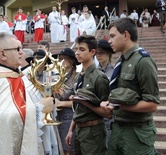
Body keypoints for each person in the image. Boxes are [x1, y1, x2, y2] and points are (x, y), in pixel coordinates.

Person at [0, 32, 54, 155]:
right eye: (18, 49)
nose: (22, 52)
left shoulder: (11, 74)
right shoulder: (0, 81)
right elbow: (5, 119)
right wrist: (39, 109)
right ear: (3, 54)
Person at [103, 17, 160, 155]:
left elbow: (152, 104)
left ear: (126, 35)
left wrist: (118, 106)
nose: (109, 40)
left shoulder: (143, 61)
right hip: (117, 128)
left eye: (112, 36)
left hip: (137, 134)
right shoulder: (122, 61)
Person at [65, 35, 112, 155]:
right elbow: (78, 109)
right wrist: (71, 130)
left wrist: (85, 102)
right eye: (77, 49)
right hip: (79, 130)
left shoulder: (99, 78)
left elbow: (108, 113)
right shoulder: (79, 76)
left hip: (94, 132)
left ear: (92, 52)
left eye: (82, 49)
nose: (77, 53)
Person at [52, 48, 80, 155]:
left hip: (69, 116)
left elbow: (79, 101)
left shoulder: (77, 77)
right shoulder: (58, 76)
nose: (61, 61)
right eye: (60, 59)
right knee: (60, 148)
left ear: (72, 61)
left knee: (69, 149)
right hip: (57, 115)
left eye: (64, 59)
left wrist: (62, 103)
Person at [96, 39, 114, 144]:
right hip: (96, 113)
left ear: (109, 53)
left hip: (108, 113)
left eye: (101, 52)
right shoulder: (94, 71)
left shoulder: (115, 70)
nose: (98, 55)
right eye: (97, 53)